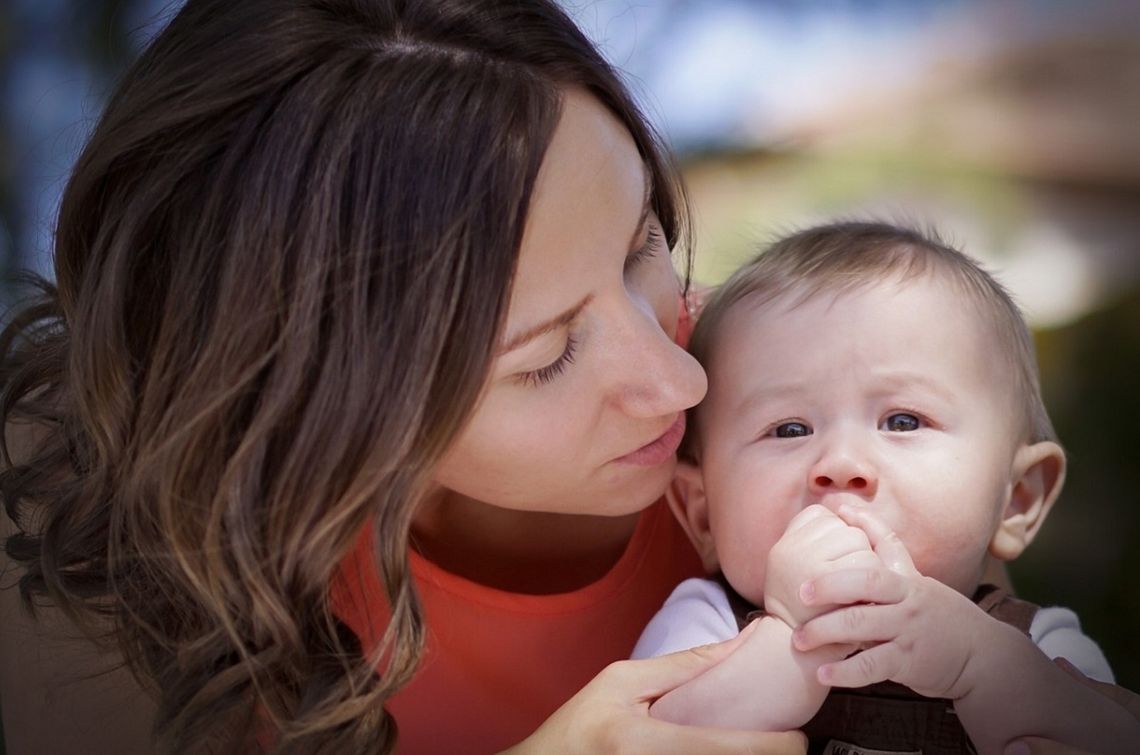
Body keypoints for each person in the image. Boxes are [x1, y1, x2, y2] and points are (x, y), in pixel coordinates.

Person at [0, 1, 817, 753]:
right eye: (546, 357)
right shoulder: (89, 531)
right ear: (319, 402)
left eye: (641, 246)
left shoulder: (810, 404)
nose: (681, 380)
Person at [632, 222, 1140, 754]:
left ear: (1016, 500)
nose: (842, 464)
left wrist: (981, 669)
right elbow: (644, 741)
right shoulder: (705, 625)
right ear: (704, 514)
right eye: (789, 429)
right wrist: (789, 644)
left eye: (902, 421)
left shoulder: (1038, 643)